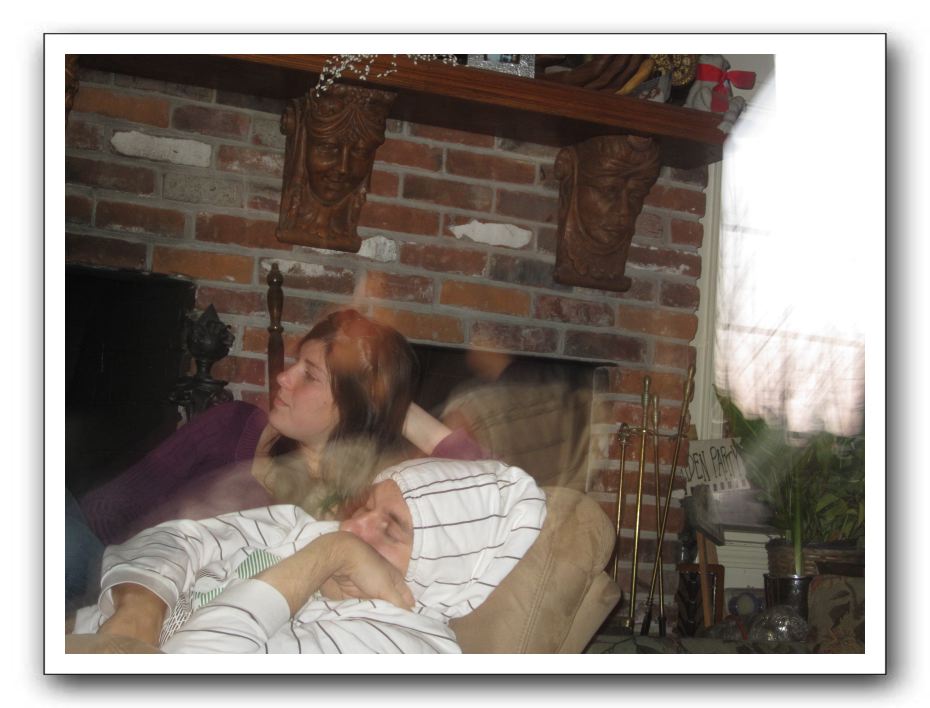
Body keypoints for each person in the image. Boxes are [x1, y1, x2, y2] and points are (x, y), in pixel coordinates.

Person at [70, 308, 484, 607]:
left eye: (310, 374)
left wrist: (394, 405)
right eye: (295, 363)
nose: (283, 377)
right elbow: (105, 510)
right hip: (113, 576)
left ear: (354, 405)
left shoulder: (369, 504)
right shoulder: (232, 425)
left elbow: (486, 487)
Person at [69, 458, 546, 654]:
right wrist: (139, 610)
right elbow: (177, 538)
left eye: (391, 530)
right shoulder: (303, 528)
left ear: (440, 569)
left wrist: (329, 555)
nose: (353, 527)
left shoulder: (399, 646)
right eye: (367, 506)